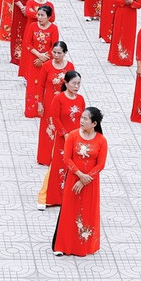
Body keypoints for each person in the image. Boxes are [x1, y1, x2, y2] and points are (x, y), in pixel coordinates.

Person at [52, 107, 108, 257]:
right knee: (69, 211)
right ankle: (63, 245)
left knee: (87, 211)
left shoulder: (101, 141)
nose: (81, 121)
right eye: (81, 118)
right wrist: (79, 174)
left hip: (90, 182)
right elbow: (67, 158)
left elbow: (101, 164)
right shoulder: (72, 136)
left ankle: (84, 245)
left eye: (85, 119)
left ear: (94, 123)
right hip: (73, 178)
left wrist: (84, 180)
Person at [39, 71, 86, 208]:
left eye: (78, 83)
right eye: (73, 83)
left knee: (73, 167)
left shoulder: (81, 99)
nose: (76, 86)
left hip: (77, 138)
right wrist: (65, 134)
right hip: (62, 138)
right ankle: (48, 197)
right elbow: (55, 118)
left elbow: (82, 119)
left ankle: (70, 196)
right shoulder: (58, 98)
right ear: (66, 83)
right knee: (57, 167)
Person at [106, 0, 141, 66]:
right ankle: (114, 58)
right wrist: (125, 2)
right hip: (121, 12)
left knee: (128, 35)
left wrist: (131, 2)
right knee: (118, 33)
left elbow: (139, 5)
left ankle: (126, 59)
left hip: (131, 14)